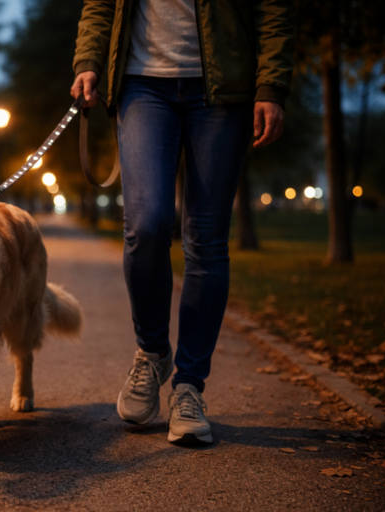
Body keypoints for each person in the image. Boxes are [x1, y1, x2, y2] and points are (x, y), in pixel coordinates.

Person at [71, 0, 294, 445]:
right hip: (141, 82)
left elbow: (272, 8)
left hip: (223, 86)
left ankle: (189, 386)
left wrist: (270, 84)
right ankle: (152, 352)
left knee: (206, 239)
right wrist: (89, 60)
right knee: (147, 224)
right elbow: (99, 5)